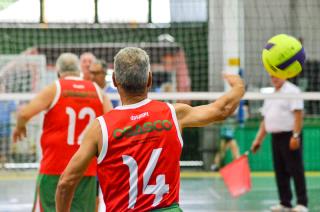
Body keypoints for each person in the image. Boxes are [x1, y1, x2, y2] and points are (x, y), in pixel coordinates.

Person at [55, 47, 245, 211]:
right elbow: (222, 109)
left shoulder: (100, 128)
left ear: (114, 80)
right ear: (149, 79)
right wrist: (238, 86)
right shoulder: (173, 114)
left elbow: (66, 182)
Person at [13, 53, 112, 211]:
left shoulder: (56, 88)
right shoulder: (99, 92)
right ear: (79, 70)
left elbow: (24, 114)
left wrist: (20, 127)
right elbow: (111, 124)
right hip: (86, 170)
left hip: (54, 168)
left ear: (58, 72)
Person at [251, 76, 308, 212]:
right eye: (271, 76)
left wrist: (295, 135)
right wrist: (258, 140)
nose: (274, 78)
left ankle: (302, 203)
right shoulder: (271, 95)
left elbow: (298, 114)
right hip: (275, 137)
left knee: (296, 170)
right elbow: (266, 120)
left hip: (290, 136)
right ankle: (285, 203)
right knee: (280, 171)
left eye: (277, 75)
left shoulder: (292, 91)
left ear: (285, 75)